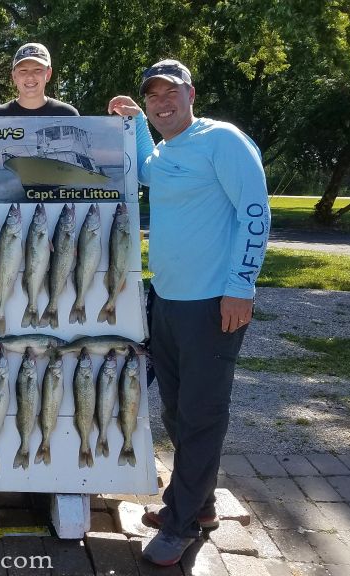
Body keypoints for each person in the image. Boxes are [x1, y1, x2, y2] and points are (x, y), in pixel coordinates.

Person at [107, 59, 270, 566]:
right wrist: (132, 120)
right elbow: (147, 169)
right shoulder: (169, 151)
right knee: (177, 410)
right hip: (168, 300)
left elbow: (256, 212)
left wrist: (240, 287)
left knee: (202, 415)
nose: (162, 102)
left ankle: (178, 524)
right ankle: (198, 505)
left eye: (169, 93)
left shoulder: (222, 140)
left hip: (212, 305)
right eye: (153, 96)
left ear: (191, 93)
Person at [0, 42, 78, 116]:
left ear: (48, 74)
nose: (30, 76)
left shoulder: (68, 115)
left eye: (37, 70)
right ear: (14, 76)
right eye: (23, 70)